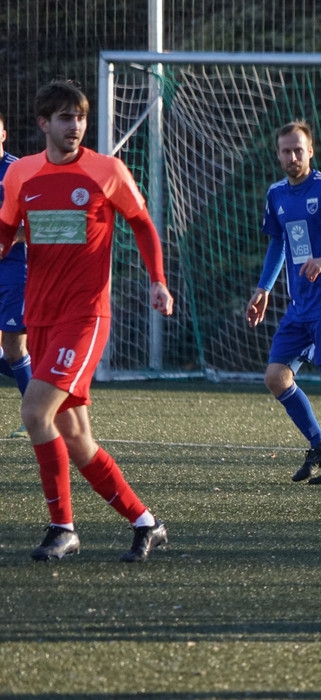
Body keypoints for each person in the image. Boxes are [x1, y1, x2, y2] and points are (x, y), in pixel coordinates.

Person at [0, 80, 174, 562]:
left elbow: (142, 223)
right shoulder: (22, 175)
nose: (74, 126)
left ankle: (63, 528)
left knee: (35, 412)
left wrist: (158, 281)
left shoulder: (106, 171)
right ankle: (146, 522)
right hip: (40, 315)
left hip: (85, 316)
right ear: (43, 123)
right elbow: (6, 231)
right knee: (77, 438)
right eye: (64, 118)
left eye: (79, 117)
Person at [246, 121, 321, 486]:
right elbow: (278, 242)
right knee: (276, 377)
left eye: (298, 150)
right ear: (278, 154)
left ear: (310, 151)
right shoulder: (276, 195)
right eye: (286, 151)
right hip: (299, 307)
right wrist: (264, 288)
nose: (292, 157)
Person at [0, 110, 31, 438]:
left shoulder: (18, 170)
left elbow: (33, 224)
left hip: (13, 270)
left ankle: (37, 413)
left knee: (13, 348)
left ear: (3, 135)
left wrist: (6, 240)